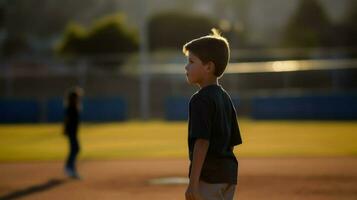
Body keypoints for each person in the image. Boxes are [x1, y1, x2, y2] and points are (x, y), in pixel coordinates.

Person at [183, 29, 243, 200]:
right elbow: (231, 143)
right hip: (228, 176)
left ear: (208, 67)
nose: (186, 67)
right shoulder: (225, 98)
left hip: (208, 178)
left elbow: (202, 142)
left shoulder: (200, 100)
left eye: (191, 61)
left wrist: (193, 183)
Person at [63, 86, 83, 179]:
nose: (79, 98)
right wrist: (66, 130)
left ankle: (70, 167)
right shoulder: (71, 107)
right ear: (73, 98)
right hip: (71, 132)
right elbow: (67, 120)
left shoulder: (73, 107)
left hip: (73, 132)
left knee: (75, 149)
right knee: (75, 149)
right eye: (77, 97)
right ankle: (69, 168)